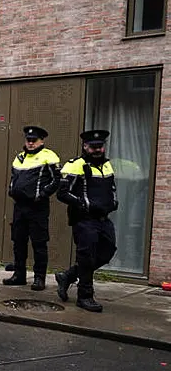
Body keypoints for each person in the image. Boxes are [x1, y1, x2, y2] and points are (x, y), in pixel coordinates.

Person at [55, 130, 118, 312]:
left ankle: (68, 275)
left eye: (100, 146)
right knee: (87, 256)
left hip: (104, 218)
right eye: (93, 147)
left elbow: (112, 187)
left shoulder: (107, 165)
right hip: (84, 220)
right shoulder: (75, 165)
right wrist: (83, 204)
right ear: (85, 146)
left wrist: (114, 202)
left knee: (107, 251)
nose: (97, 150)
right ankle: (85, 296)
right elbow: (62, 193)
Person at [3, 125, 61, 291]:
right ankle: (19, 275)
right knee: (18, 242)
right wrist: (11, 190)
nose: (30, 143)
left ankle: (39, 278)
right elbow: (14, 177)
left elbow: (56, 180)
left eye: (34, 140)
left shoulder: (49, 156)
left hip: (37, 208)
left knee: (39, 243)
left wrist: (41, 195)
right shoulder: (19, 157)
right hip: (19, 207)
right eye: (28, 140)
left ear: (41, 140)